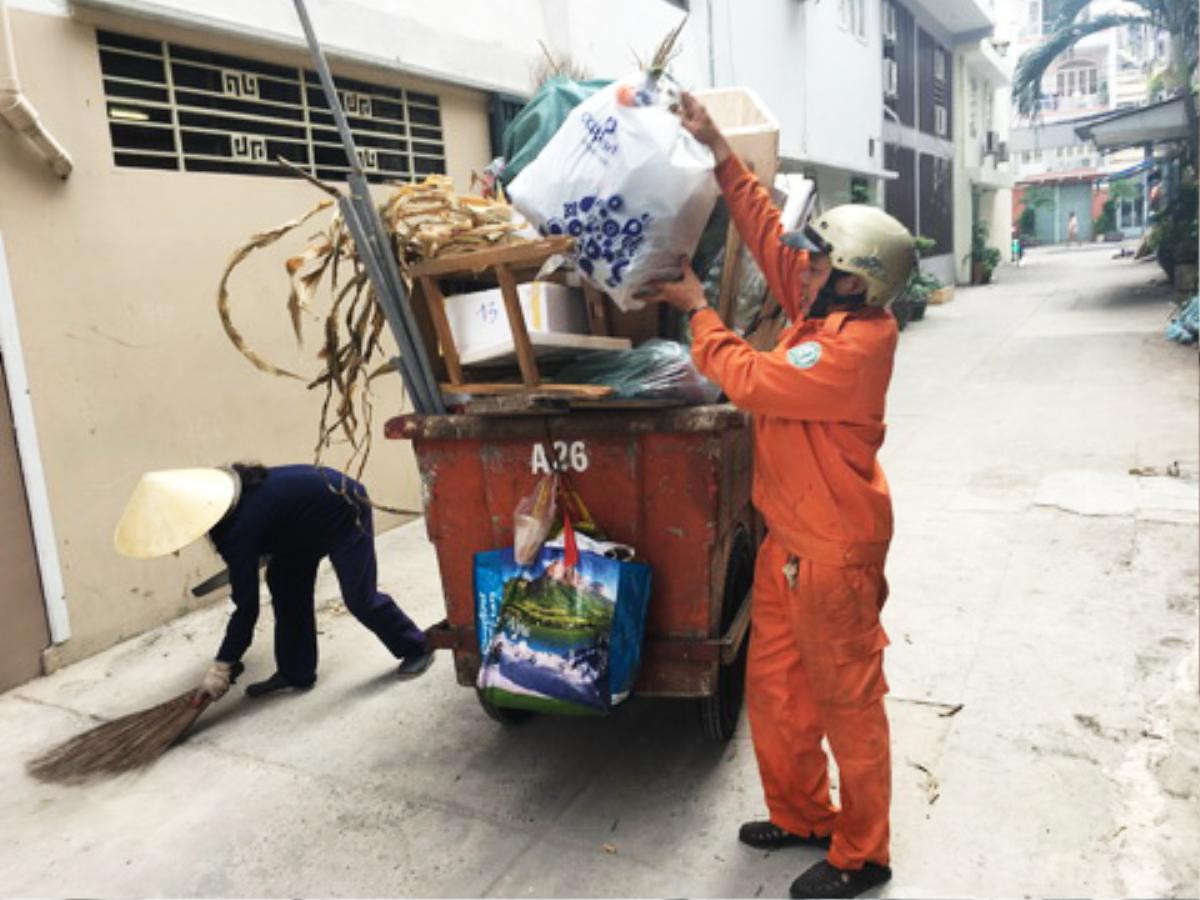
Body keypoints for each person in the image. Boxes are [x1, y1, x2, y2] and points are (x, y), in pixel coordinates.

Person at [640, 93, 915, 900]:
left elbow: (751, 380)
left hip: (835, 554)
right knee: (779, 693)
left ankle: (863, 853)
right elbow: (766, 231)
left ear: (859, 285)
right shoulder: (821, 307)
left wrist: (699, 310)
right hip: (788, 545)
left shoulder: (852, 349)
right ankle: (800, 815)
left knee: (848, 707)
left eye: (824, 263)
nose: (807, 268)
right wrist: (720, 151)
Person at [114, 464, 434, 701]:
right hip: (300, 526)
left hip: (343, 508)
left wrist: (223, 665)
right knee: (284, 584)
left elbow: (247, 606)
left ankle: (415, 646)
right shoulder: (225, 506)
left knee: (359, 597)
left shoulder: (239, 528)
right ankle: (296, 672)